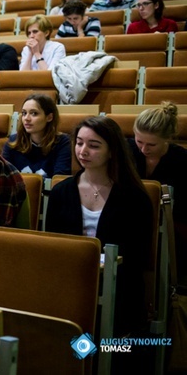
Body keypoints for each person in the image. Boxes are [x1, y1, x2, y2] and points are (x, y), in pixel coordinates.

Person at [46, 116, 152, 337]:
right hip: (71, 282)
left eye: (93, 146)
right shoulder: (61, 191)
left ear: (112, 151)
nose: (83, 151)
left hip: (119, 285)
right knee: (72, 345)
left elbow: (139, 257)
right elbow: (52, 245)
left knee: (110, 350)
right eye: (79, 143)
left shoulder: (133, 196)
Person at [128, 103, 187, 281]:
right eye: (139, 141)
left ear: (167, 139)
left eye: (151, 144)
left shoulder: (182, 160)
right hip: (131, 219)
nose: (143, 149)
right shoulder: (127, 150)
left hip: (171, 224)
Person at [2, 94, 71, 177]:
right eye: (24, 113)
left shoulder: (63, 142)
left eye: (34, 113)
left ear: (49, 117)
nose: (26, 118)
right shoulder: (13, 141)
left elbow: (60, 179)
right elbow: (4, 176)